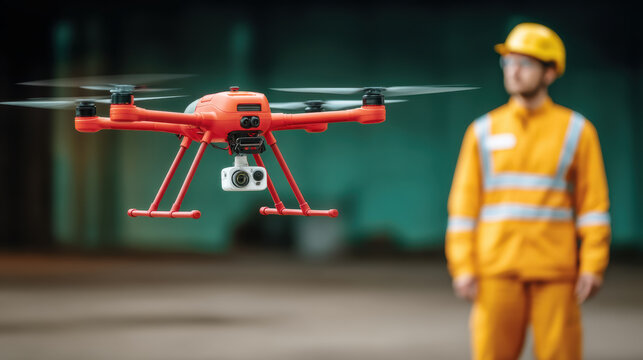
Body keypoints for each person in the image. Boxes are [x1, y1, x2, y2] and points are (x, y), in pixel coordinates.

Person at [445, 23, 611, 360]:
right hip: (496, 272)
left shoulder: (578, 131)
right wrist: (462, 266)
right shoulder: (482, 131)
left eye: (525, 63)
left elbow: (593, 206)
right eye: (508, 62)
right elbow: (463, 207)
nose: (514, 71)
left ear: (550, 73)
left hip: (555, 273)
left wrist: (593, 264)